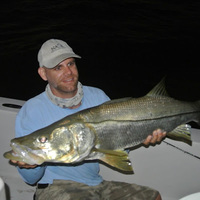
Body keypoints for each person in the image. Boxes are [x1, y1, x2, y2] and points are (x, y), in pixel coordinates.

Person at [11, 39, 166, 200]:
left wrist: (143, 135)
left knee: (154, 197)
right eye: (58, 67)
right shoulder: (32, 110)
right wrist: (31, 164)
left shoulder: (97, 96)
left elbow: (116, 146)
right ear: (43, 73)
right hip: (54, 187)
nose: (68, 72)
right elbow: (31, 179)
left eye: (70, 64)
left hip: (96, 184)